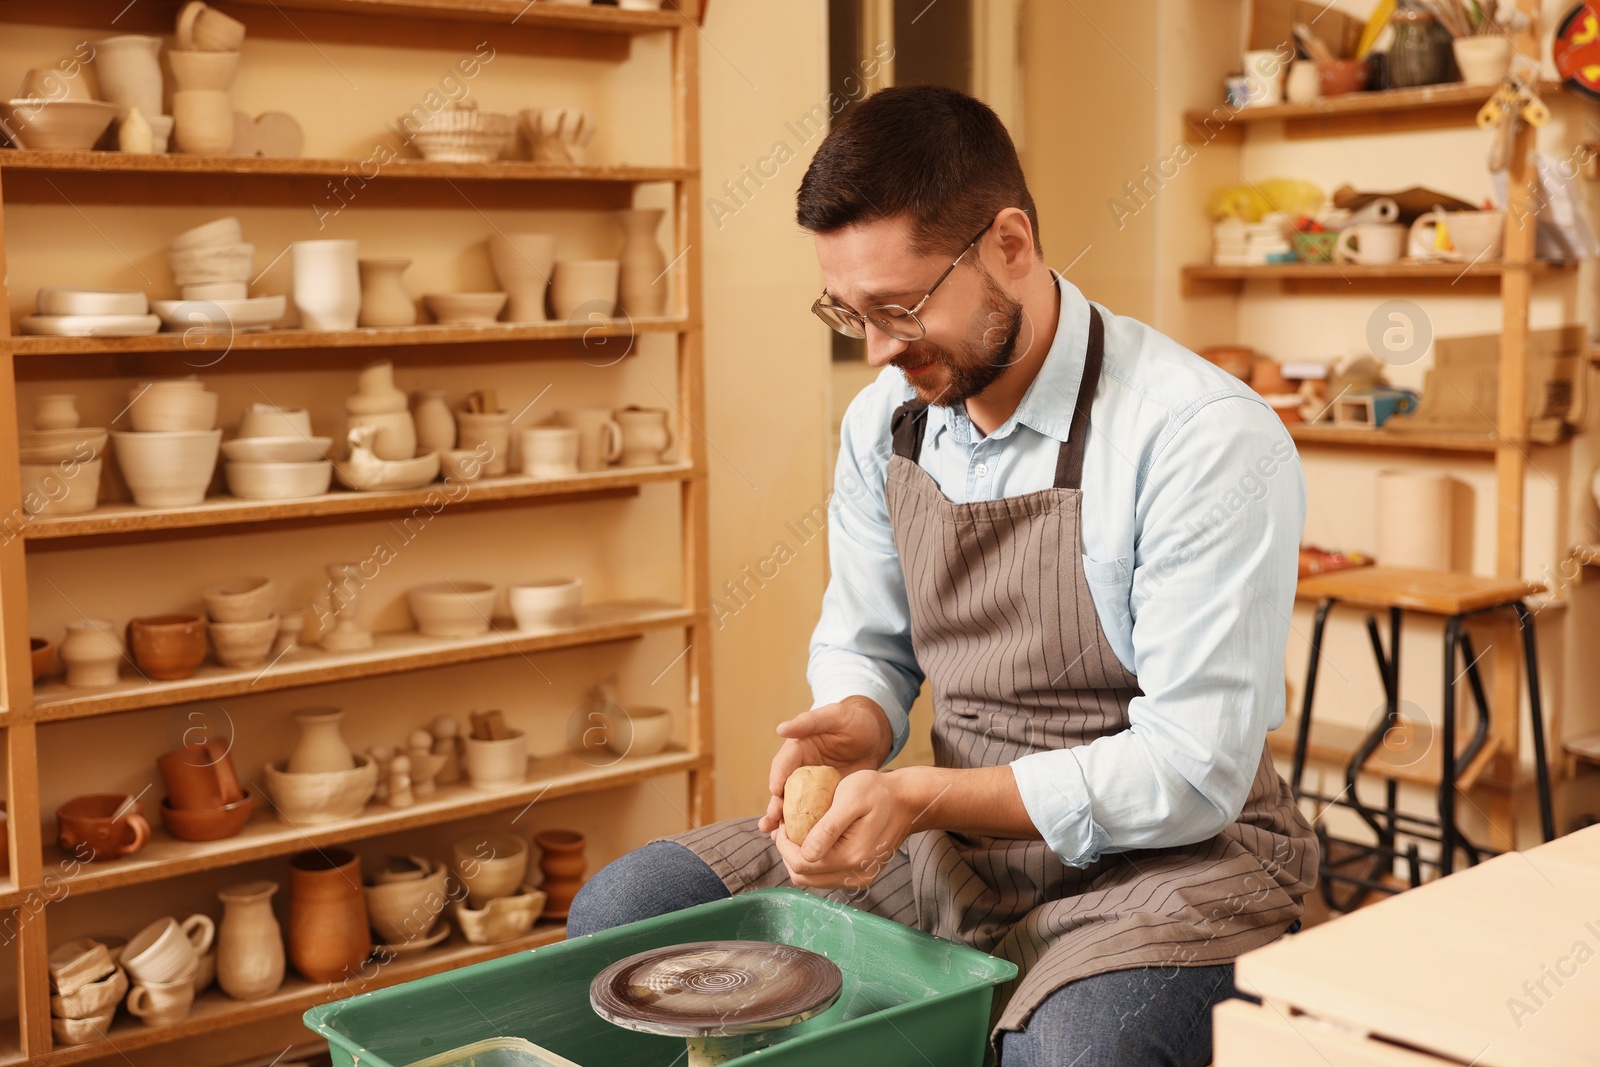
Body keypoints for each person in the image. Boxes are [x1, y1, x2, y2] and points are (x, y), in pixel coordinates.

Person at [568, 85, 1317, 1067]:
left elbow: (1192, 768)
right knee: (623, 914)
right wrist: (857, 719)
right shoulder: (884, 418)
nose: (878, 349)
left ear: (1008, 243)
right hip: (951, 845)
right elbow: (867, 636)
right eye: (849, 311)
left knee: (1072, 1056)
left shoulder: (1197, 436)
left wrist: (918, 795)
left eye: (901, 307)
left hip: (1173, 863)